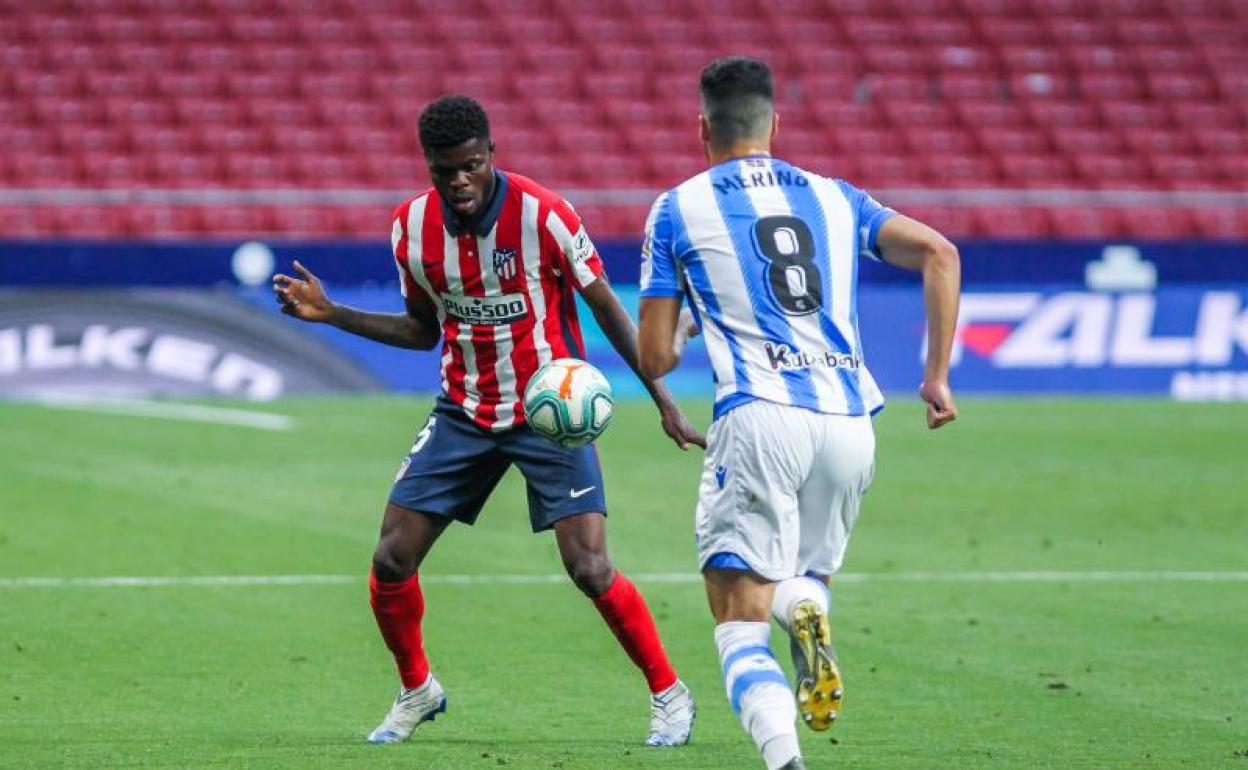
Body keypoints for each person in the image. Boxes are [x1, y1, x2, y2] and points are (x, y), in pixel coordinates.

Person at [272, 95, 702, 747]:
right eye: (446, 171)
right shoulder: (410, 230)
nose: (460, 182)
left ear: (491, 154)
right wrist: (333, 314)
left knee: (588, 566)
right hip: (464, 410)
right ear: (430, 166)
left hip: (550, 411)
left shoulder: (545, 215)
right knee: (391, 557)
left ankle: (669, 693)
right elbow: (423, 331)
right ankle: (417, 689)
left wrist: (661, 395)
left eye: (472, 166)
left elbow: (608, 309)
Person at [636, 57, 961, 770]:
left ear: (702, 128)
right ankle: (803, 606)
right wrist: (934, 377)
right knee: (805, 575)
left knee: (737, 616)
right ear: (775, 125)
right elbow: (940, 252)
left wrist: (688, 320)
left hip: (759, 417)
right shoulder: (836, 197)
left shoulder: (678, 206)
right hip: (850, 422)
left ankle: (785, 760)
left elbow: (654, 358)